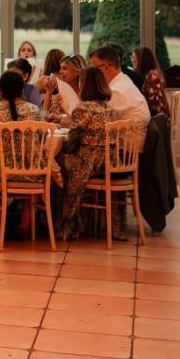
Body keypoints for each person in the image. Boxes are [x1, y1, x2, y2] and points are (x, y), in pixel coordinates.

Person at [55, 67, 117, 241]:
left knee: (53, 161)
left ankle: (64, 221)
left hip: (88, 163)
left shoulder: (84, 108)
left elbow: (72, 142)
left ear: (85, 85)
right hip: (109, 162)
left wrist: (61, 144)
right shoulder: (110, 108)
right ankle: (77, 219)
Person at [88, 46, 150, 130]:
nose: (90, 74)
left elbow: (97, 125)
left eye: (92, 70)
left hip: (128, 137)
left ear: (106, 68)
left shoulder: (116, 91)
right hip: (131, 134)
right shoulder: (123, 79)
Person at [41, 54, 86, 123]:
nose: (60, 72)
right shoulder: (61, 95)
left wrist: (61, 117)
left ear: (77, 72)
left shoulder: (86, 95)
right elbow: (44, 118)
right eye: (60, 68)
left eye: (64, 68)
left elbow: (82, 118)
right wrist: (49, 92)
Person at [133, 46, 170, 117]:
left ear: (141, 59)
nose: (132, 60)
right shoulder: (152, 73)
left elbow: (151, 101)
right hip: (157, 113)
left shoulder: (152, 76)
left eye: (133, 57)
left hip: (157, 117)